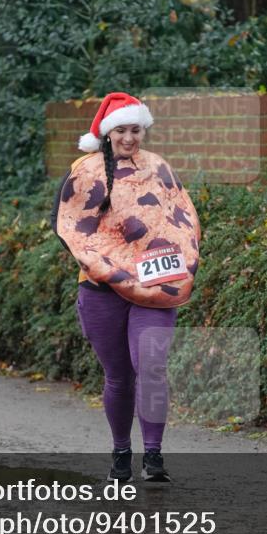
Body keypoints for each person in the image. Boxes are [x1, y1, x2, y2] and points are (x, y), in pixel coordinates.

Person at [53, 92, 201, 483]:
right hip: (101, 289)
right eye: (121, 130)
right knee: (118, 375)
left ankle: (153, 456)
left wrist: (180, 262)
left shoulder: (158, 168)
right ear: (107, 133)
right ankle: (121, 451)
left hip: (155, 285)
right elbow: (66, 225)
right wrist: (108, 262)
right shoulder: (84, 170)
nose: (130, 138)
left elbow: (181, 220)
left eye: (136, 129)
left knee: (151, 367)